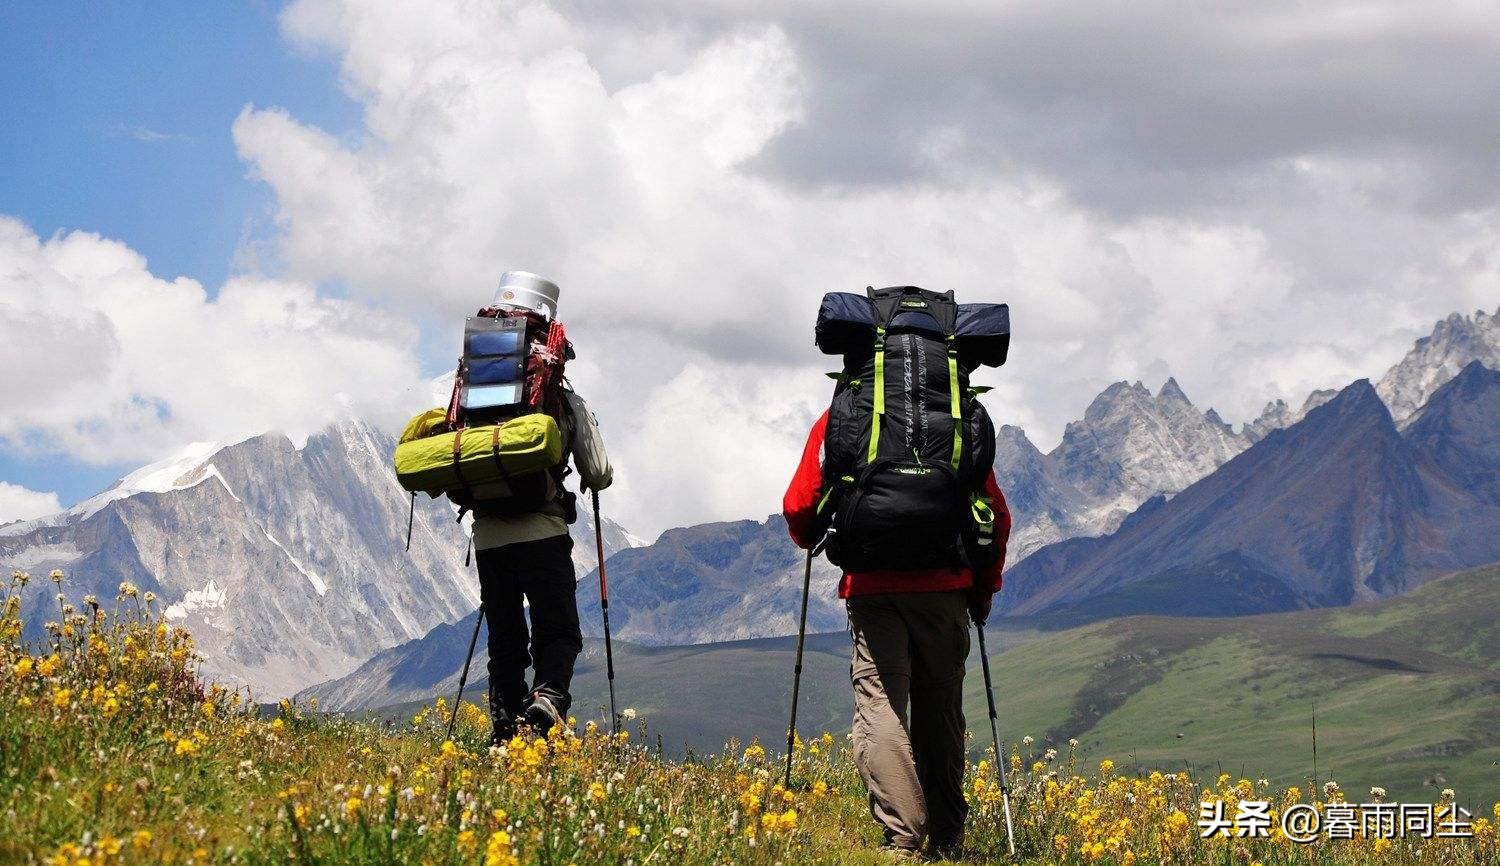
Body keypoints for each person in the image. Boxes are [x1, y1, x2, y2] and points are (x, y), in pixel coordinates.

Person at [782, 287, 1012, 858]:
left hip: (874, 587)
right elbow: (996, 515)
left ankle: (905, 840)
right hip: (948, 588)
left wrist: (813, 535)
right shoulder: (963, 416)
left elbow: (799, 505)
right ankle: (947, 839)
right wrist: (982, 591)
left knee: (880, 704)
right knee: (942, 710)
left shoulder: (844, 412)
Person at [470, 271, 612, 744]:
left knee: (504, 641)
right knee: (559, 632)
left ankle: (504, 735)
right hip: (543, 533)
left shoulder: (472, 396)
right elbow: (598, 473)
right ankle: (547, 701)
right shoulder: (562, 400)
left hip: (488, 535)